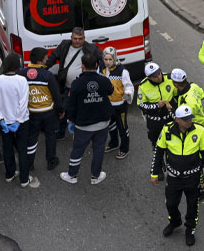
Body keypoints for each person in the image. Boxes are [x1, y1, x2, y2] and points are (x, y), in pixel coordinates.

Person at [151, 105, 204, 246]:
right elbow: (158, 152)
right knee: (171, 203)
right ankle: (175, 221)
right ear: (177, 119)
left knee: (193, 206)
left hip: (193, 178)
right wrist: (154, 173)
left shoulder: (200, 131)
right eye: (185, 119)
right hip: (173, 178)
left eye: (190, 118)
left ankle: (190, 229)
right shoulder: (167, 130)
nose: (189, 121)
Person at [61, 52, 113, 185]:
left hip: (83, 125)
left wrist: (71, 121)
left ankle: (72, 175)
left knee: (78, 149)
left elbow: (71, 105)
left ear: (82, 66)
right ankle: (95, 176)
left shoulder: (77, 83)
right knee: (99, 149)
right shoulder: (103, 80)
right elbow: (111, 91)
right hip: (102, 123)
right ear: (96, 65)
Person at [0, 53, 38, 188]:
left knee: (7, 148)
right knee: (22, 149)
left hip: (5, 122)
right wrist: (17, 121)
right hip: (21, 122)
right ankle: (24, 179)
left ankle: (9, 174)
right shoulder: (22, 80)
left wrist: (1, 120)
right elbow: (23, 103)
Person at [23, 47, 62, 172]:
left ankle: (29, 163)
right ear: (40, 60)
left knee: (32, 138)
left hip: (31, 112)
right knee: (50, 136)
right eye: (45, 57)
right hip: (48, 113)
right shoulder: (47, 75)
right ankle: (51, 161)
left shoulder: (22, 73)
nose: (47, 58)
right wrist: (60, 110)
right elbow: (56, 95)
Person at [44, 26, 101, 95]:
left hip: (85, 88)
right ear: (71, 37)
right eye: (75, 38)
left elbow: (103, 59)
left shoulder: (92, 48)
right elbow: (52, 58)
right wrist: (42, 70)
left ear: (84, 38)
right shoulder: (64, 45)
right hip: (67, 88)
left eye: (80, 39)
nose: (77, 41)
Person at [136, 62, 177, 161]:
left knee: (172, 142)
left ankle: (171, 162)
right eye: (155, 76)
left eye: (159, 73)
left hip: (169, 118)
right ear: (149, 78)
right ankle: (159, 164)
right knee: (156, 144)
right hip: (154, 121)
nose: (159, 77)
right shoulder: (143, 86)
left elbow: (178, 93)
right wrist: (156, 105)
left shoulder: (169, 78)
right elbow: (141, 104)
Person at [102, 47, 133, 159]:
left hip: (120, 105)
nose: (108, 62)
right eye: (105, 59)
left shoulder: (122, 71)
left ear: (114, 58)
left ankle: (124, 148)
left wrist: (126, 96)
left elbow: (128, 86)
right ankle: (114, 143)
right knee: (111, 126)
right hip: (108, 105)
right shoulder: (102, 69)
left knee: (123, 128)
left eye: (110, 59)